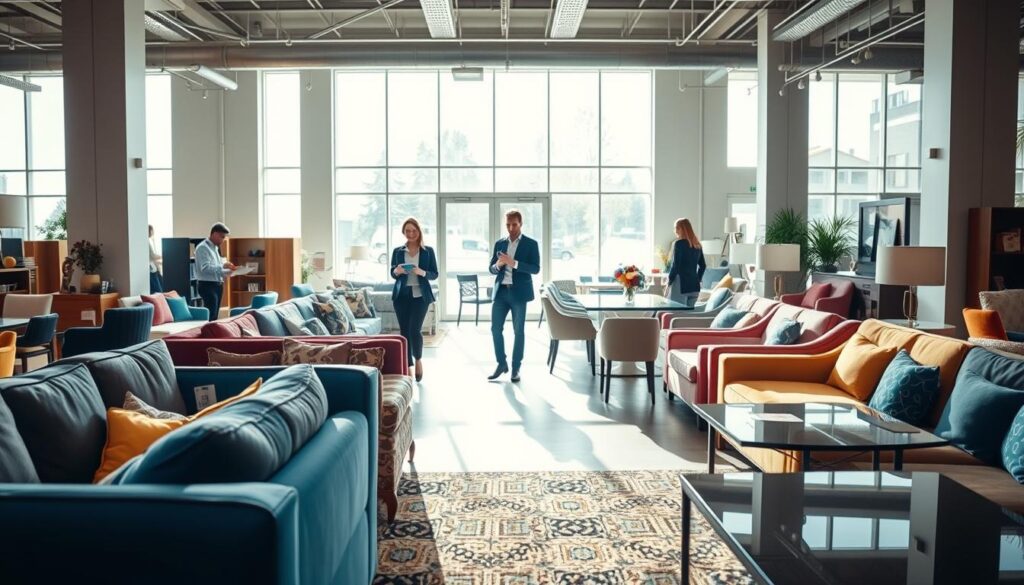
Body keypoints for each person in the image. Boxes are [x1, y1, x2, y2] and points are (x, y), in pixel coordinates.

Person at [487, 209, 540, 382]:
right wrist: (498, 265)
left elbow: (535, 268)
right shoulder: (499, 243)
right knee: (495, 329)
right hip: (501, 292)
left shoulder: (531, 244)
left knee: (519, 331)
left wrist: (514, 263)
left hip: (519, 294)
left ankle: (516, 368)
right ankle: (501, 363)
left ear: (521, 224)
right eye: (508, 225)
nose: (511, 228)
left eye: (514, 224)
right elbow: (491, 269)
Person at [390, 217, 438, 382]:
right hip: (401, 296)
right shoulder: (398, 251)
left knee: (414, 330)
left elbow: (434, 273)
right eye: (407, 231)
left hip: (421, 296)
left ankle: (418, 360)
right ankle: (407, 366)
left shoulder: (428, 251)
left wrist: (421, 272)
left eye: (413, 230)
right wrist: (397, 271)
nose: (411, 234)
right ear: (404, 232)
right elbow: (391, 273)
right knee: (404, 332)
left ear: (419, 232)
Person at [195, 223, 235, 321]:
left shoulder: (215, 248)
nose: (223, 240)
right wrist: (223, 265)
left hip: (217, 285)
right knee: (211, 315)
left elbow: (217, 269)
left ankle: (212, 335)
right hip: (208, 285)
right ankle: (207, 336)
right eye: (222, 237)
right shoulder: (203, 247)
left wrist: (229, 271)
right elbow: (205, 268)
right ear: (215, 234)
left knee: (215, 315)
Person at [667, 218, 706, 306]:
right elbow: (703, 266)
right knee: (688, 315)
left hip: (680, 284)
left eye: (677, 228)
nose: (675, 231)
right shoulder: (697, 245)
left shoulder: (679, 244)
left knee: (676, 312)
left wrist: (669, 280)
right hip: (694, 286)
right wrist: (698, 279)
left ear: (683, 229)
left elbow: (676, 265)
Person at [148, 225, 164, 293]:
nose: (153, 232)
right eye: (152, 230)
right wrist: (163, 256)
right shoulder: (146, 242)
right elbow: (152, 256)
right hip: (151, 269)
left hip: (153, 268)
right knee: (158, 290)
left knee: (161, 287)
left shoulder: (149, 241)